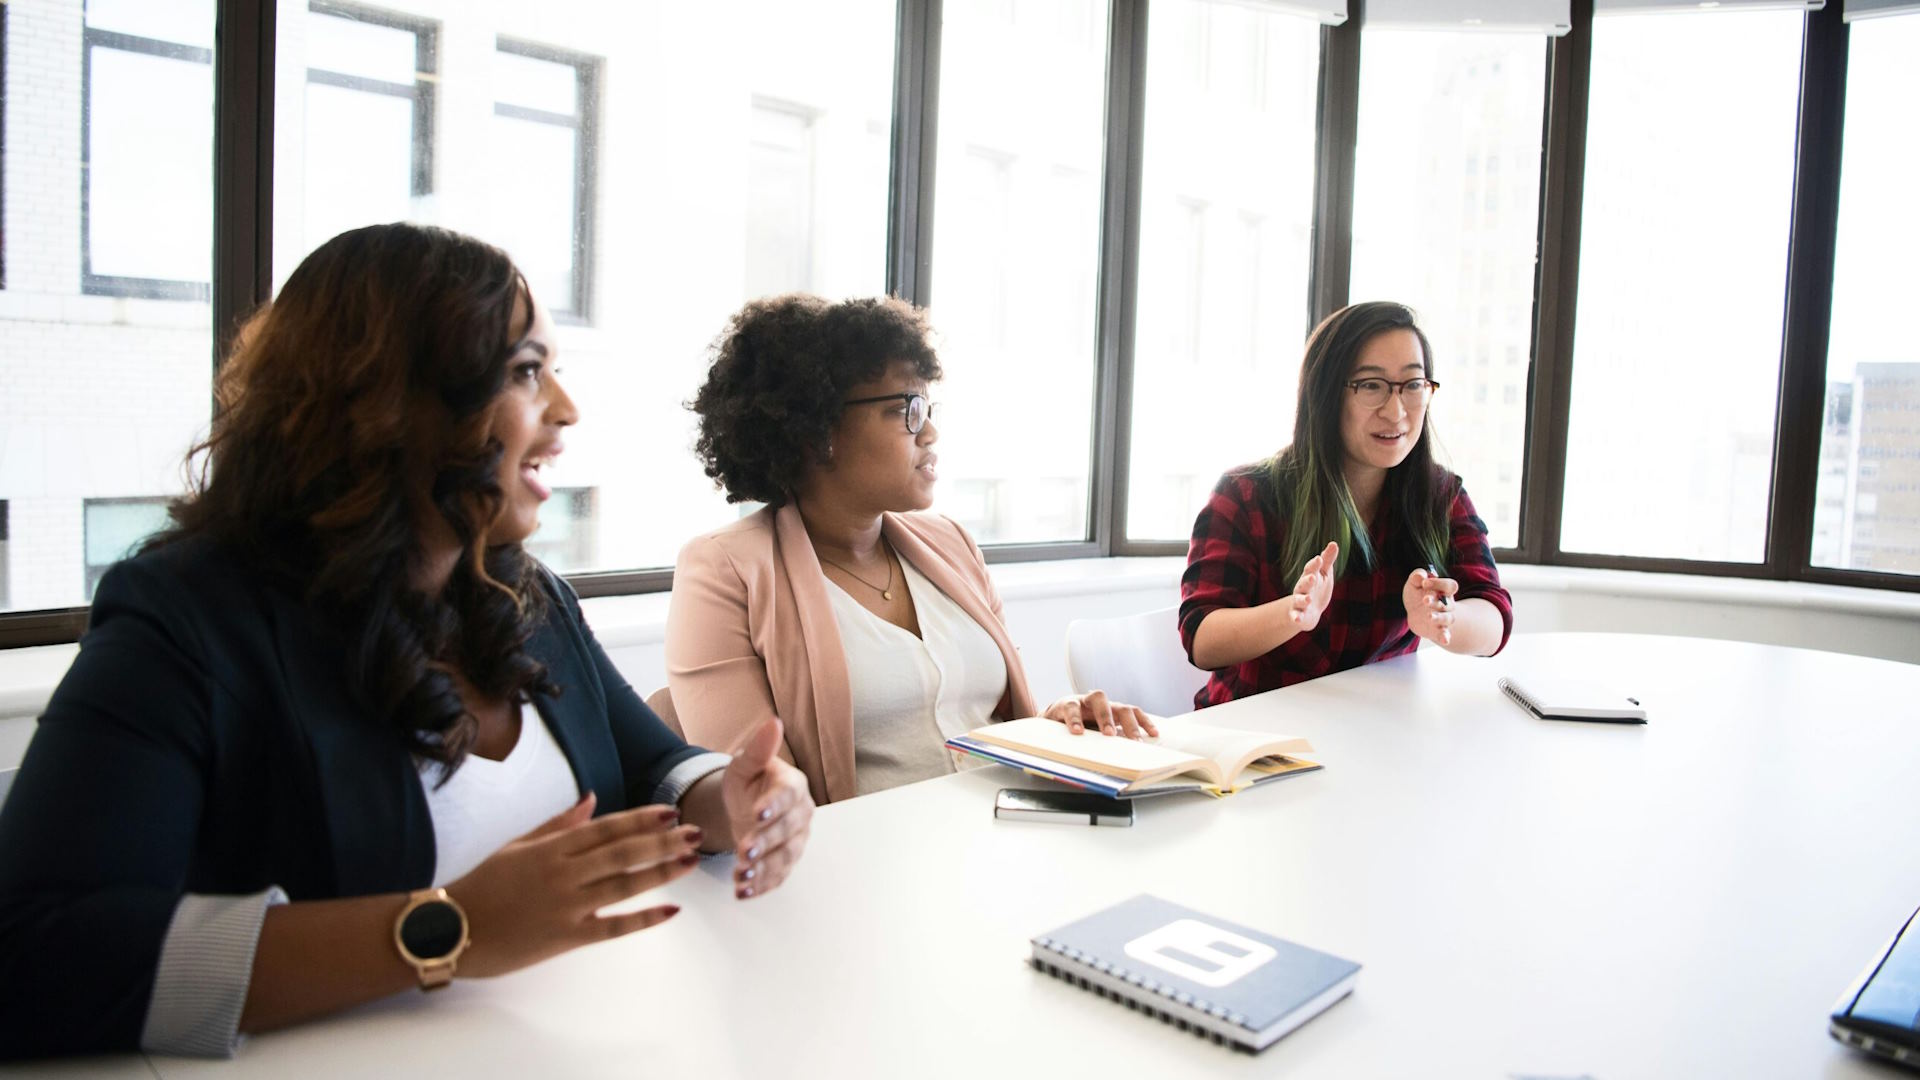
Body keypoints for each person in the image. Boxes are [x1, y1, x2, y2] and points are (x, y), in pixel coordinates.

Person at [0, 224, 814, 1060]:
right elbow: (36, 950)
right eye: (527, 373)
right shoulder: (187, 618)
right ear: (387, 401)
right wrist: (445, 928)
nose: (566, 410)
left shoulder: (524, 592)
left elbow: (648, 769)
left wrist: (734, 798)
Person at [667, 294, 1154, 805]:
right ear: (815, 434)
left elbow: (993, 721)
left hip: (1016, 834)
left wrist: (1057, 727)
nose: (931, 432)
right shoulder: (725, 571)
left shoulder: (953, 544)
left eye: (929, 407)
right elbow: (759, 798)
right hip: (865, 866)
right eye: (908, 409)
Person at [1181, 300, 1513, 708]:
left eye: (1412, 385)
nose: (1396, 412)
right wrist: (1292, 614)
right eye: (1371, 385)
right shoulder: (1246, 495)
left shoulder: (1440, 497)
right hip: (1258, 743)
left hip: (1374, 734)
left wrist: (1445, 619)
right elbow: (1202, 639)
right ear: (1326, 394)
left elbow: (1493, 618)